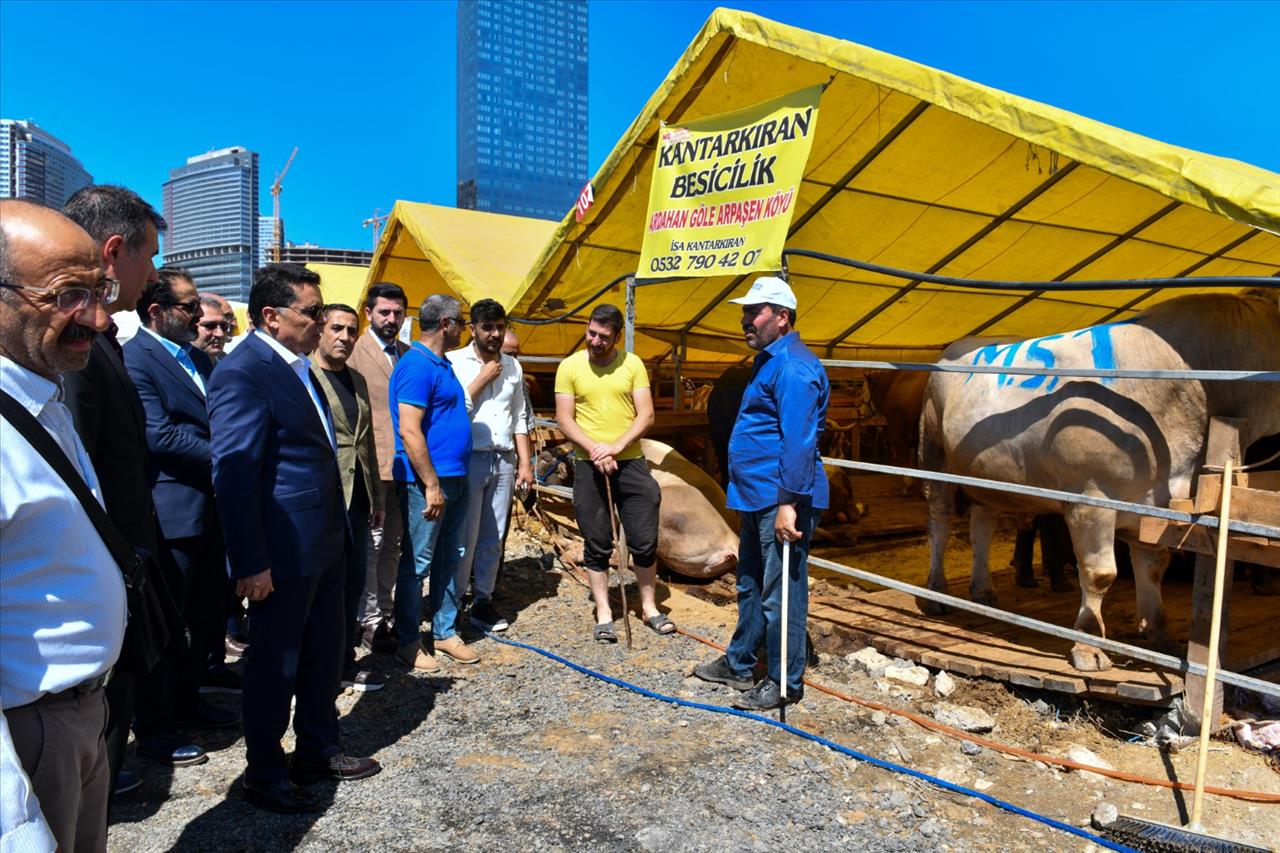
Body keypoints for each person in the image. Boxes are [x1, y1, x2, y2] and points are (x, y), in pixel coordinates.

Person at [208, 264, 379, 814]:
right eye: (311, 312)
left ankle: (317, 749)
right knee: (274, 665)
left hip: (323, 544)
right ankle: (265, 770)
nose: (321, 321)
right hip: (281, 554)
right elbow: (234, 474)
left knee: (323, 657)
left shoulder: (297, 367)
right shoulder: (245, 372)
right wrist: (250, 561)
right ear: (271, 316)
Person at [62, 185, 207, 788]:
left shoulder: (98, 343)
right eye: (149, 258)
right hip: (102, 561)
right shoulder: (74, 349)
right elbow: (84, 466)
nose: (152, 275)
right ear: (115, 250)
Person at [0, 200, 125, 853]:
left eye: (99, 291)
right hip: (31, 735)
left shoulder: (44, 395)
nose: (99, 318)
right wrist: (13, 820)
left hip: (82, 716)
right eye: (67, 295)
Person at [694, 276, 829, 711]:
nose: (745, 320)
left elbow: (799, 441)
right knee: (751, 583)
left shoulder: (793, 367)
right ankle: (739, 662)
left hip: (779, 499)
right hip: (755, 494)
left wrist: (789, 503)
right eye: (745, 313)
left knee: (781, 591)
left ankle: (784, 681)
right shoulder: (770, 360)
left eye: (755, 313)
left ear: (782, 317)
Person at [123, 267, 241, 736]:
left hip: (213, 508)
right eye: (190, 307)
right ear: (157, 312)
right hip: (175, 513)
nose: (199, 315)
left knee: (207, 613)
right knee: (169, 624)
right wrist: (232, 461)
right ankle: (155, 725)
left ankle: (189, 700)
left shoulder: (198, 359)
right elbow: (162, 435)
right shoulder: (137, 359)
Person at [553, 304, 671, 642]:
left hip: (630, 460)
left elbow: (645, 415)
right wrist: (595, 449)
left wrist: (615, 447)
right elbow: (565, 418)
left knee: (644, 537)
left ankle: (649, 607)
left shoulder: (632, 364)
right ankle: (604, 611)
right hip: (590, 463)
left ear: (616, 336)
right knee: (597, 539)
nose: (595, 341)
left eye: (604, 336)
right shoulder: (570, 366)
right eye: (591, 333)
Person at [390, 294, 477, 670]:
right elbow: (410, 431)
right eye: (461, 322)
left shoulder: (442, 364)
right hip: (428, 482)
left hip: (455, 477)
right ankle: (407, 640)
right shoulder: (416, 366)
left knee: (450, 556)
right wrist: (431, 485)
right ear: (445, 324)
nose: (464, 329)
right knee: (418, 563)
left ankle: (444, 631)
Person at [310, 303, 387, 692]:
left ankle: (343, 661)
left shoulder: (356, 379)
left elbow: (367, 442)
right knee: (321, 586)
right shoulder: (305, 374)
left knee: (352, 583)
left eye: (351, 331)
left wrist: (376, 499)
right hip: (323, 496)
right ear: (320, 330)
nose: (344, 337)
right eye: (336, 328)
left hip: (356, 496)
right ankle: (317, 667)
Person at [448, 299, 533, 632]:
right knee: (463, 537)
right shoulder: (454, 362)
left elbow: (520, 417)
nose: (495, 334)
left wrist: (525, 463)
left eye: (500, 327)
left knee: (494, 536)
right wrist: (483, 377)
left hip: (503, 459)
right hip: (468, 459)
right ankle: (450, 604)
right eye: (488, 327)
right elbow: (452, 410)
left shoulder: (513, 366)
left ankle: (483, 599)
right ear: (473, 329)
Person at [347, 282, 409, 652]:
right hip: (371, 464)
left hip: (404, 465)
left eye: (398, 313)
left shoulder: (407, 352)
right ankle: (366, 618)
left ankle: (384, 612)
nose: (392, 319)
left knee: (394, 545)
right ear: (368, 313)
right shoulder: (354, 352)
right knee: (371, 544)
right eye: (384, 312)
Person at [192, 293, 233, 362]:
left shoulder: (229, 362)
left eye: (224, 326)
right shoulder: (176, 366)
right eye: (210, 326)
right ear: (190, 326)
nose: (220, 334)